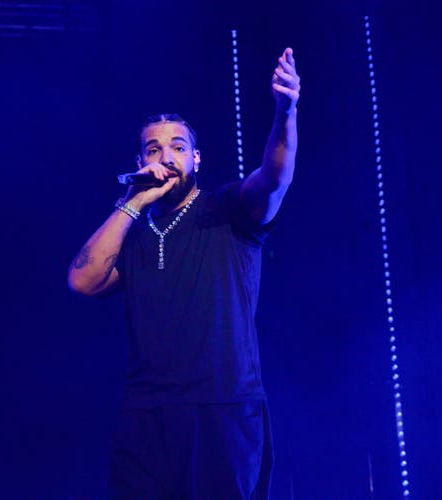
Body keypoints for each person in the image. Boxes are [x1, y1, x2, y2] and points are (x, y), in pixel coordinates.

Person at [68, 47, 300, 499]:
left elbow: (274, 179)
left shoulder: (226, 210)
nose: (167, 156)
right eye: (154, 149)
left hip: (222, 408)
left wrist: (285, 112)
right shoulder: (132, 234)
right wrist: (134, 201)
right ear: (141, 162)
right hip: (146, 413)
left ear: (197, 159)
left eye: (178, 147)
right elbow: (82, 280)